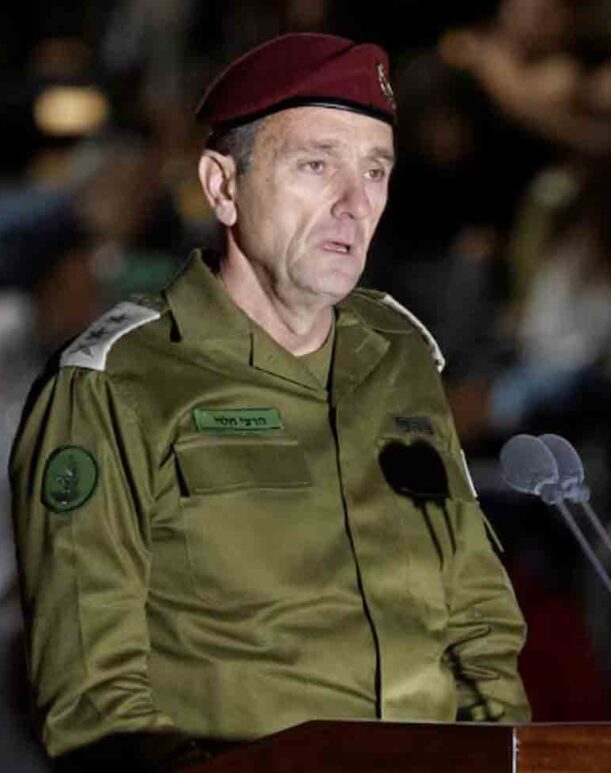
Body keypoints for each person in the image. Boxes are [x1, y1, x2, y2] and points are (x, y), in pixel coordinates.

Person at [9, 33, 530, 772]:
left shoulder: (400, 355)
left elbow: (478, 622)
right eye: (317, 165)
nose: (355, 204)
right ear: (222, 186)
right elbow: (95, 703)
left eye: (375, 170)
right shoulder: (114, 381)